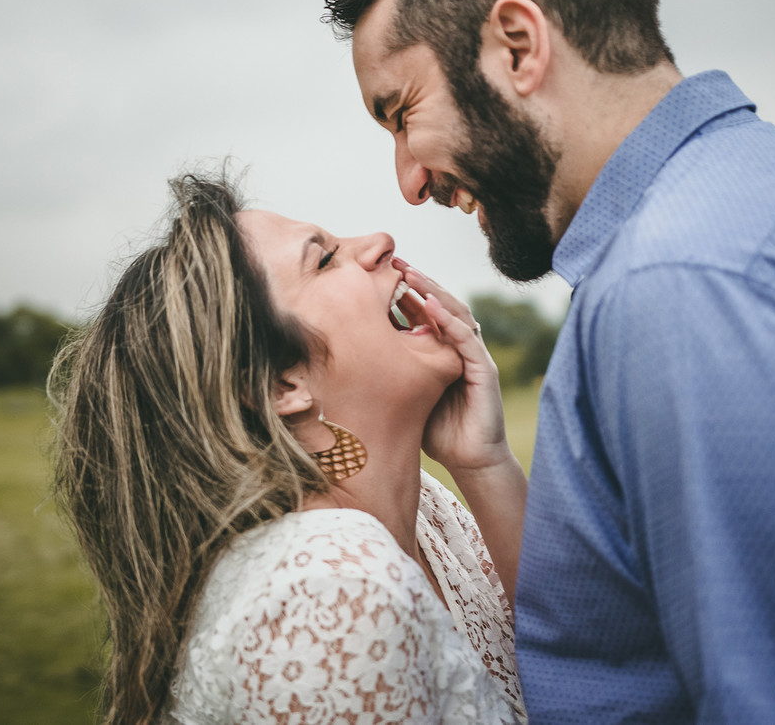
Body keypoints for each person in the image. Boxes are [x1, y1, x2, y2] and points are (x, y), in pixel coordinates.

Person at [325, 0, 775, 721]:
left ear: (518, 46)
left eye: (402, 112)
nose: (409, 182)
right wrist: (487, 463)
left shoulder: (677, 291)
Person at [49, 171, 529, 724]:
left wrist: (484, 463)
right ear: (280, 384)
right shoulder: (332, 595)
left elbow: (583, 662)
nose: (380, 242)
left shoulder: (428, 514)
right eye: (324, 260)